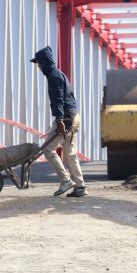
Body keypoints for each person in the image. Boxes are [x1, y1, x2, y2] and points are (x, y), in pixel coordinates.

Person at [31, 46, 87, 197]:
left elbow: (59, 100)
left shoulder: (54, 76)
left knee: (48, 150)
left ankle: (66, 180)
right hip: (74, 116)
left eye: (39, 63)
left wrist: (60, 119)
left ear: (45, 62)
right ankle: (80, 186)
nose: (39, 66)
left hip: (66, 118)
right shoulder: (59, 74)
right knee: (70, 153)